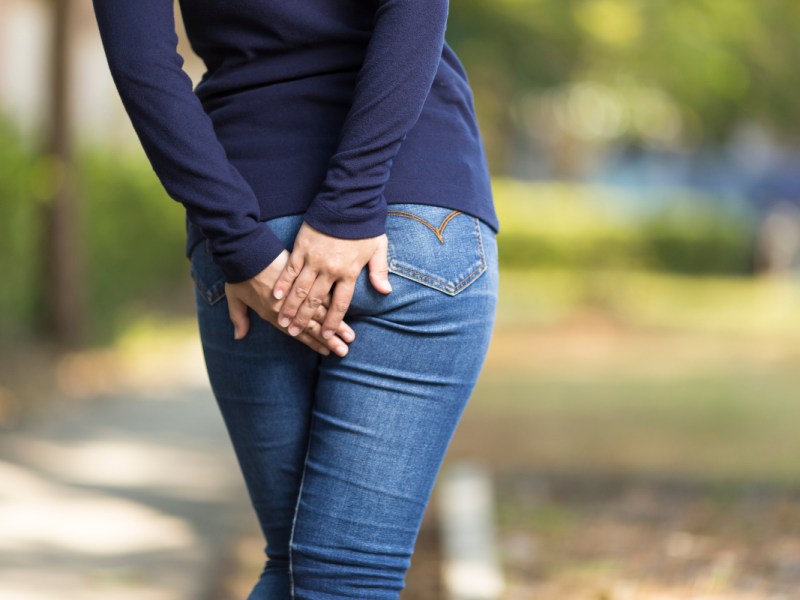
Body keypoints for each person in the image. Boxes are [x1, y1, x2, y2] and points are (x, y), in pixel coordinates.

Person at [91, 0, 500, 597]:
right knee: (343, 575)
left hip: (254, 224)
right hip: (413, 212)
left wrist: (239, 242)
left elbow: (142, 61)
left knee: (294, 566)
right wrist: (349, 201)